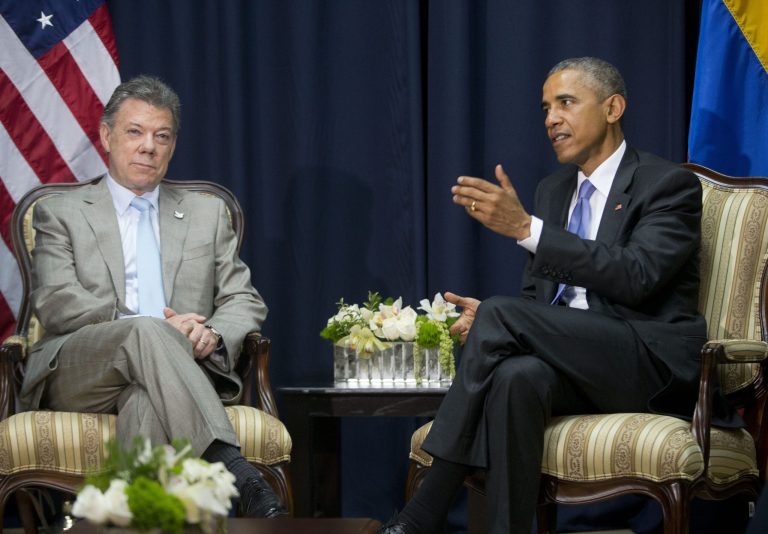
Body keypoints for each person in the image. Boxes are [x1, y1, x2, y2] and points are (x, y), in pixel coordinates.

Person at [379, 57, 719, 533]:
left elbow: (639, 275)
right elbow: (540, 302)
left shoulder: (666, 184)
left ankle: (424, 510)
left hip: (647, 361)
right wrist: (504, 320)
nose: (550, 119)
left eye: (565, 103)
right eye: (545, 108)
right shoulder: (552, 191)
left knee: (503, 316)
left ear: (613, 107)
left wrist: (526, 232)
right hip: (573, 364)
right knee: (518, 376)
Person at [20, 75, 287, 518]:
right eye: (135, 132)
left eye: (161, 136)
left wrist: (214, 336)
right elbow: (57, 300)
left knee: (144, 401)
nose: (148, 146)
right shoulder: (60, 212)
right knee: (144, 329)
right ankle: (232, 468)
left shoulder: (206, 213)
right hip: (81, 369)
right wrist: (152, 327)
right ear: (107, 136)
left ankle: (122, 524)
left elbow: (244, 299)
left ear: (173, 145)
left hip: (175, 374)